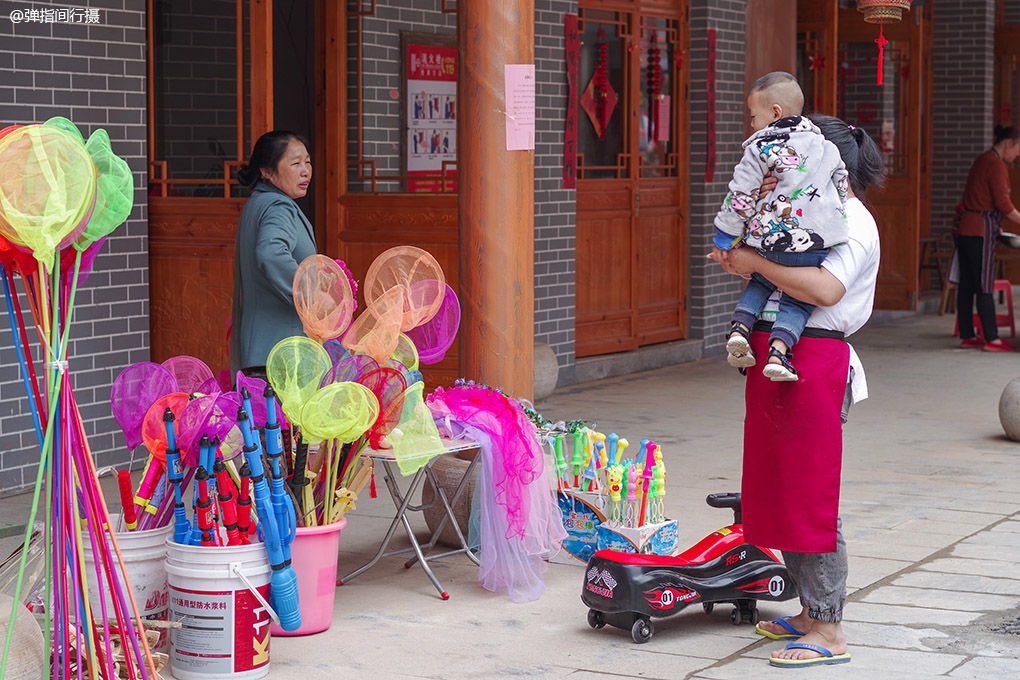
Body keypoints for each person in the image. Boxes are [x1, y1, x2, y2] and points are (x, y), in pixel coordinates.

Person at [710, 114, 885, 668]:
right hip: (779, 359)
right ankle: (810, 612)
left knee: (811, 496)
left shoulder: (852, 220)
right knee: (780, 488)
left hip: (814, 361)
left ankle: (829, 628)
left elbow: (825, 287)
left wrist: (752, 261)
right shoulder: (810, 209)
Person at [713, 72, 849, 381]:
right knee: (797, 299)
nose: (751, 124)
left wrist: (725, 236)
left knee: (761, 279)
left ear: (775, 112)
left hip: (771, 241)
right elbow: (841, 184)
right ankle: (779, 352)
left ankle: (739, 329)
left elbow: (741, 194)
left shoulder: (760, 146)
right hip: (813, 243)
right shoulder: (826, 146)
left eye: (752, 116)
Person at [229, 131, 315, 380]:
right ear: (266, 171)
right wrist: (311, 294)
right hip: (282, 350)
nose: (305, 171)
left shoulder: (259, 202)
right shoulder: (279, 207)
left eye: (307, 162)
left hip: (263, 350)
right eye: (295, 163)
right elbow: (271, 253)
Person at [955, 125, 1020, 351]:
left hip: (966, 228)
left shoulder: (982, 159)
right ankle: (992, 338)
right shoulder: (996, 164)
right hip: (980, 230)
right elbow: (1005, 205)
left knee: (967, 285)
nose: (1017, 155)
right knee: (984, 284)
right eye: (1018, 149)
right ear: (1009, 143)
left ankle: (967, 335)